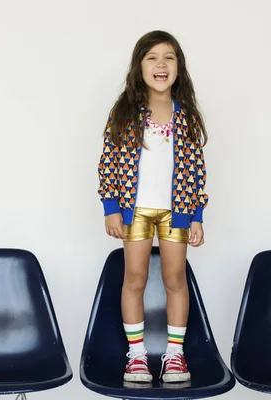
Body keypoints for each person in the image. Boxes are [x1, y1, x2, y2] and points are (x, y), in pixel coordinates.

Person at [97, 30, 209, 383]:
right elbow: (108, 161)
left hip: (176, 211)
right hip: (136, 211)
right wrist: (111, 207)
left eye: (169, 57)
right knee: (135, 278)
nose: (161, 64)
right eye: (152, 57)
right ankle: (137, 357)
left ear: (179, 67)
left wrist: (197, 215)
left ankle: (175, 356)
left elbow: (196, 169)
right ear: (139, 66)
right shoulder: (125, 111)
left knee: (175, 278)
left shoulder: (186, 114)